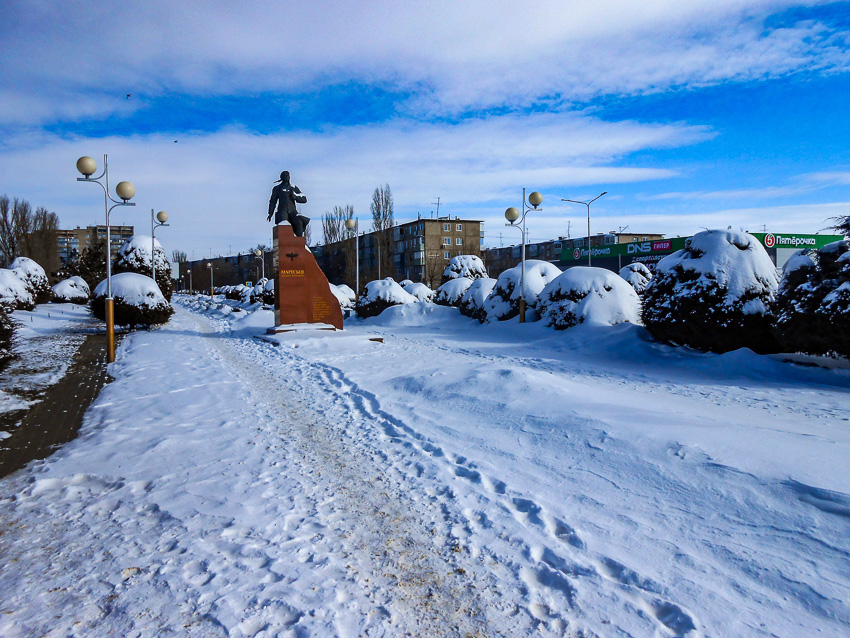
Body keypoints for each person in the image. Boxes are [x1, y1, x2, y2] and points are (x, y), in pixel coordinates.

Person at [267, 171, 309, 237]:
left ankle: (298, 241)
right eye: (285, 176)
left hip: (293, 211)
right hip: (282, 211)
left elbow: (304, 199)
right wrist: (270, 213)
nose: (287, 177)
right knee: (284, 226)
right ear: (282, 177)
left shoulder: (293, 187)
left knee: (299, 223)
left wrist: (295, 197)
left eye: (288, 176)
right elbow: (272, 201)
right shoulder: (277, 188)